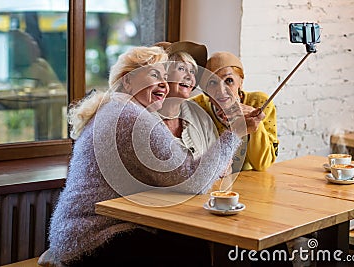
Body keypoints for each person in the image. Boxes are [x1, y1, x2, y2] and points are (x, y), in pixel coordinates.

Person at [39, 46, 243, 267]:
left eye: (166, 77)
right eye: (155, 75)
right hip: (93, 238)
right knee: (192, 249)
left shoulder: (116, 108)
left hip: (79, 236)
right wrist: (236, 132)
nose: (164, 84)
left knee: (187, 243)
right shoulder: (129, 116)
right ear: (127, 81)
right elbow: (190, 179)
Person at [191, 51, 279, 171]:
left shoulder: (260, 102)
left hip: (251, 181)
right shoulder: (196, 107)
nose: (221, 90)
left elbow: (262, 164)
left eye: (229, 81)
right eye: (212, 82)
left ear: (240, 82)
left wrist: (254, 120)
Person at [155, 41, 220, 161]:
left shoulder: (200, 116)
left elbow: (222, 163)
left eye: (192, 71)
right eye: (181, 68)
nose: (190, 77)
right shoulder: (141, 118)